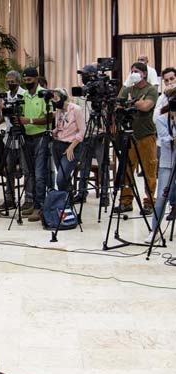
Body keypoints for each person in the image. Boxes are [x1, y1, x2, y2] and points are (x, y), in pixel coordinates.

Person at [115, 62, 159, 215]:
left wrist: (130, 103)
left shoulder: (151, 90)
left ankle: (149, 202)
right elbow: (118, 105)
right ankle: (126, 201)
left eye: (136, 71)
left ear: (144, 74)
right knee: (127, 170)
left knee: (149, 170)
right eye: (131, 71)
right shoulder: (128, 89)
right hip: (129, 134)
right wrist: (134, 101)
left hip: (146, 136)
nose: (133, 74)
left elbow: (146, 106)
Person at [72, 64, 110, 206]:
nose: (83, 78)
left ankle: (105, 195)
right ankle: (82, 193)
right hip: (85, 134)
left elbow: (107, 111)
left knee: (103, 165)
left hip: (100, 133)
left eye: (85, 75)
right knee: (84, 165)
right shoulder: (81, 93)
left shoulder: (101, 93)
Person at [18, 67, 52, 223]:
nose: (27, 82)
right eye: (25, 80)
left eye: (29, 80)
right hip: (27, 137)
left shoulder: (44, 94)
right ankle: (31, 202)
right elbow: (20, 115)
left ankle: (40, 206)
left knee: (39, 174)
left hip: (41, 137)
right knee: (29, 172)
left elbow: (49, 118)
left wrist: (30, 121)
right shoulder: (24, 95)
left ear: (36, 79)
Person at [0, 70, 30, 210]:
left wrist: (4, 108)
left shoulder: (24, 95)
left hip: (22, 135)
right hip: (9, 135)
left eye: (12, 82)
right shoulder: (5, 96)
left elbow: (19, 114)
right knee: (8, 169)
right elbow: (4, 116)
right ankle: (9, 198)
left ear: (18, 81)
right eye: (8, 82)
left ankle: (28, 198)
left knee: (26, 168)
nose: (10, 84)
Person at [149, 97, 176, 243]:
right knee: (161, 196)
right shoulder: (161, 120)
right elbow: (166, 141)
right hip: (167, 163)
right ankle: (155, 230)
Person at [50, 88, 85, 194]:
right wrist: (53, 132)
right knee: (64, 177)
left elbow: (82, 131)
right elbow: (59, 127)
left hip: (72, 146)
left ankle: (66, 196)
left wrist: (71, 147)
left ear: (63, 97)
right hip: (58, 144)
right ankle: (67, 198)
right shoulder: (58, 111)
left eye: (56, 98)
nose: (54, 101)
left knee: (61, 178)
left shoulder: (76, 109)